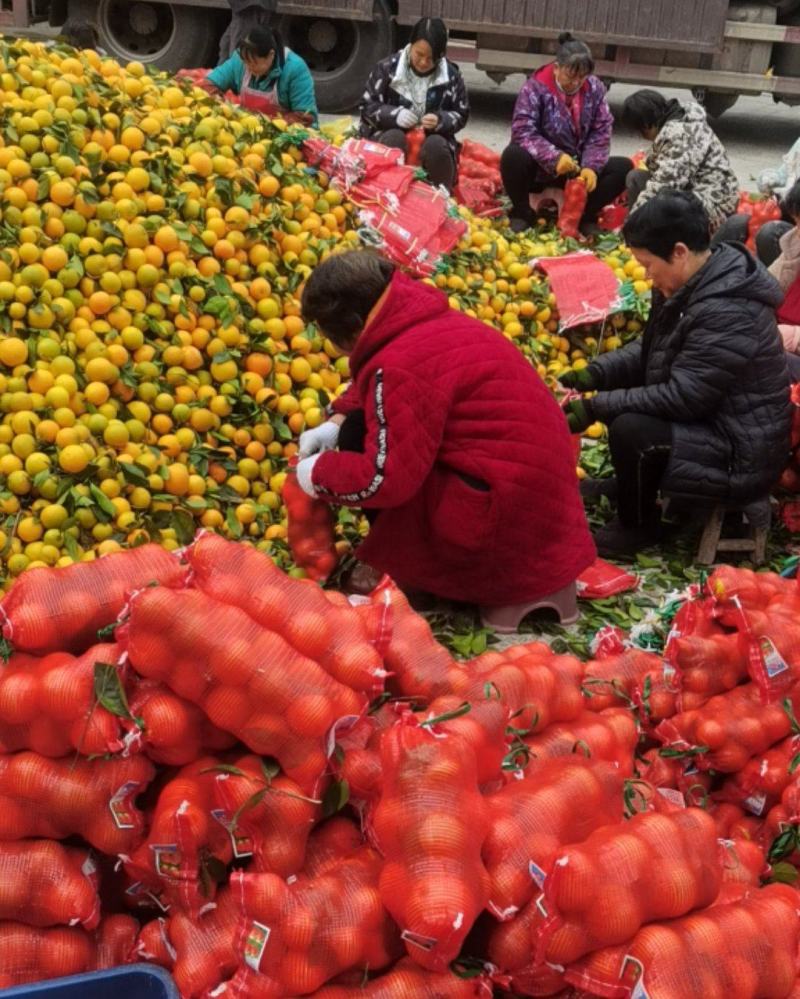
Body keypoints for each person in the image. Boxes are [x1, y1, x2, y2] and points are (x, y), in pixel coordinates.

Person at [295, 250, 595, 632]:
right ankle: (412, 558)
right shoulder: (422, 320)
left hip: (505, 520)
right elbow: (392, 382)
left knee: (380, 454)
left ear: (351, 327)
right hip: (531, 496)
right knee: (358, 427)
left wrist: (316, 474)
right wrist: (336, 419)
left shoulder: (400, 363)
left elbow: (385, 478)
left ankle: (417, 575)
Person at [560, 190, 791, 558]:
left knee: (632, 427)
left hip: (740, 450)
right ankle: (631, 487)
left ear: (680, 252)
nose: (647, 275)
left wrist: (597, 407)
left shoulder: (728, 310)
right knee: (631, 401)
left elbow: (685, 396)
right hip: (712, 422)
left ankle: (637, 527)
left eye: (648, 264)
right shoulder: (686, 284)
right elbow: (650, 350)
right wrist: (594, 375)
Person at [500, 33, 631, 234]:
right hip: (540, 170)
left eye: (582, 77)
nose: (576, 82)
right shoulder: (535, 88)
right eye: (571, 76)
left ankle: (585, 215)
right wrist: (554, 157)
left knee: (623, 168)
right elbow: (523, 130)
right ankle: (522, 212)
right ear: (557, 68)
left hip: (575, 170)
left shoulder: (595, 89)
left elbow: (601, 130)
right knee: (512, 156)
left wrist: (590, 167)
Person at [358, 17, 469, 192]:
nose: (424, 62)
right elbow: (367, 106)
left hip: (431, 139)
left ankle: (441, 197)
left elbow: (461, 114)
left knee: (436, 147)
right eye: (419, 54)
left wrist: (441, 120)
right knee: (394, 138)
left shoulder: (451, 76)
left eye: (431, 58)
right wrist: (394, 115)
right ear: (410, 45)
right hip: (388, 133)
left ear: (441, 55)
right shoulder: (387, 69)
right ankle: (383, 192)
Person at [622, 89, 739, 237]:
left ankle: (645, 236)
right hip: (692, 188)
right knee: (636, 177)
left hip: (712, 202)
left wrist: (632, 224)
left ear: (646, 125)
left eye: (640, 132)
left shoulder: (680, 134)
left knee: (661, 201)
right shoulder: (680, 117)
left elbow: (663, 186)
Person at [205, 26, 318, 125]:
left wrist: (271, 124)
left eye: (254, 63)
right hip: (252, 131)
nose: (249, 68)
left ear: (271, 55)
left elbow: (305, 116)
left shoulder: (295, 68)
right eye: (246, 62)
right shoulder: (240, 59)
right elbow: (210, 84)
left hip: (287, 135)